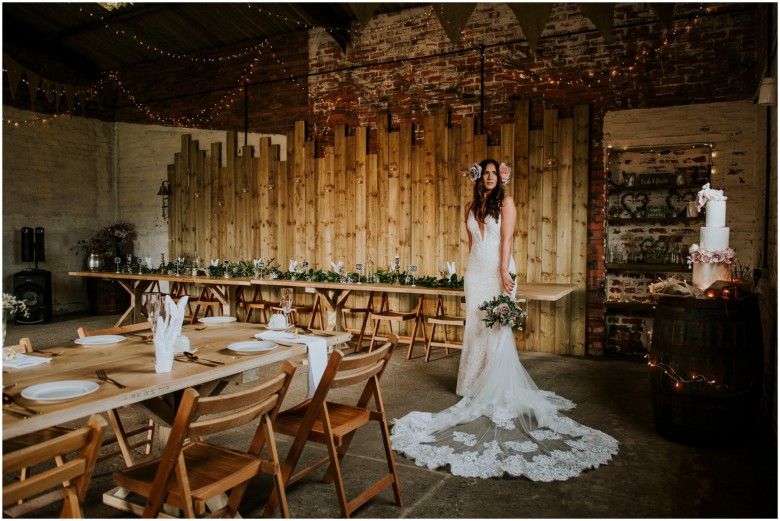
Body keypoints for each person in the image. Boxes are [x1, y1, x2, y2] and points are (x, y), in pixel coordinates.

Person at [390, 159, 618, 480]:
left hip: (499, 271)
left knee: (496, 328)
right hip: (476, 272)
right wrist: (472, 273)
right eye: (485, 173)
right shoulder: (470, 205)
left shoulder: (507, 203)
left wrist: (502, 271)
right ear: (477, 176)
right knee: (476, 326)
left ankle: (494, 386)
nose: (490, 177)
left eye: (495, 173)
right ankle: (472, 384)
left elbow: (507, 240)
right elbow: (472, 244)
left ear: (501, 177)